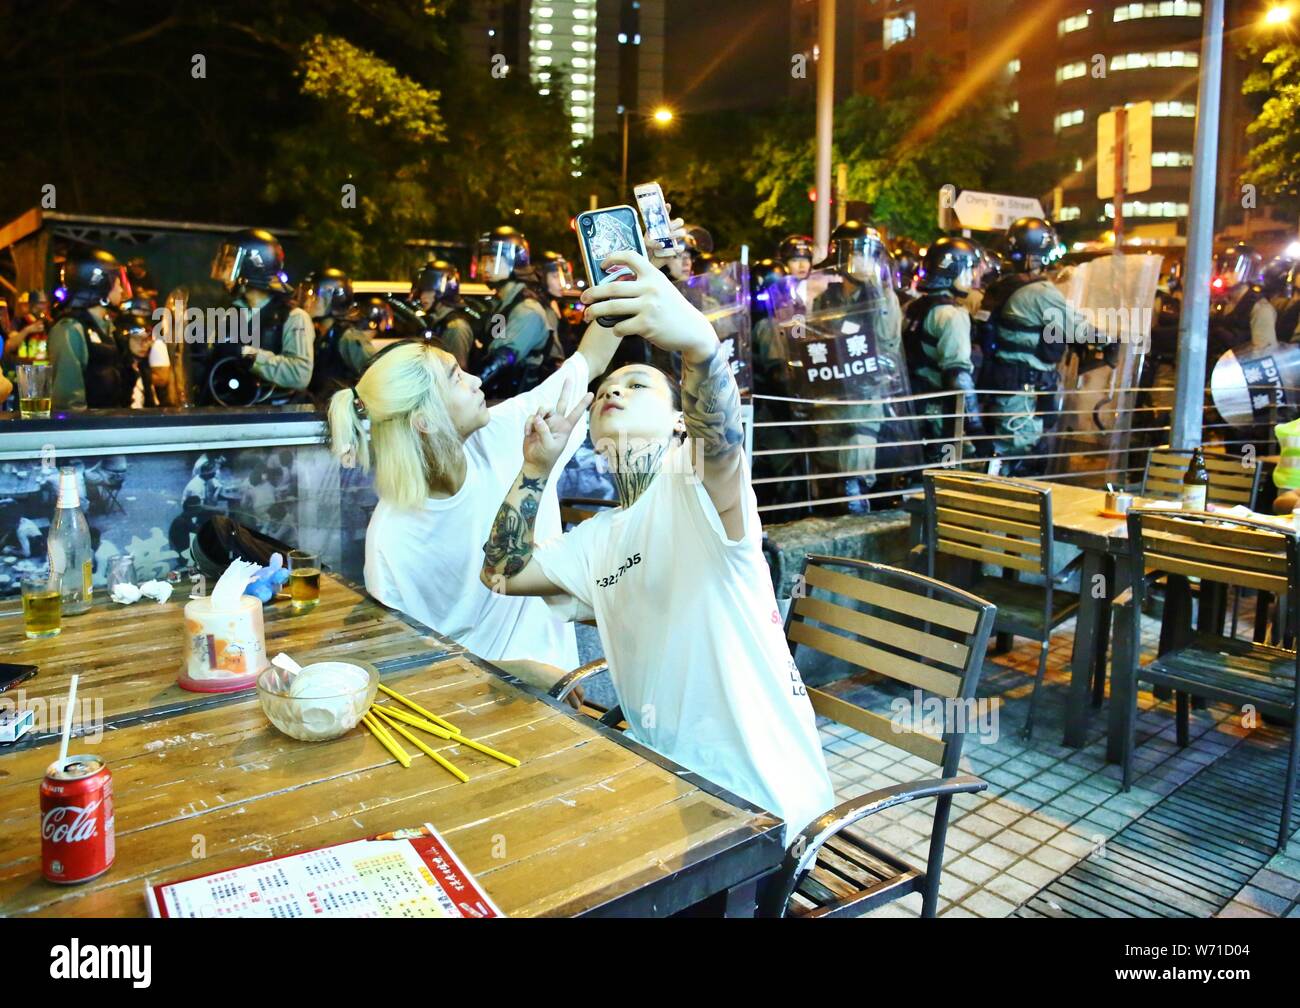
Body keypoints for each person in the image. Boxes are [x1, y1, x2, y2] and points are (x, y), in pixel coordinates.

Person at [479, 248, 834, 840]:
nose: (612, 392)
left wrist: (699, 346)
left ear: (676, 422)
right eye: (606, 391)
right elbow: (501, 574)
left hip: (761, 809)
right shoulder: (598, 537)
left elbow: (717, 444)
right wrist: (537, 468)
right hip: (663, 784)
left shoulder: (692, 483)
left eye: (637, 383)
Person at [326, 316, 623, 694]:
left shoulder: (506, 429)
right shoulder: (392, 539)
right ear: (425, 421)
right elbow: (408, 666)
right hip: (474, 710)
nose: (477, 380)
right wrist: (516, 673)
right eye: (456, 378)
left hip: (563, 694)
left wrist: (629, 273)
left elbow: (591, 357)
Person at [805, 220, 905, 513]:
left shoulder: (882, 297)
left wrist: (877, 289)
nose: (867, 262)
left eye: (872, 255)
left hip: (865, 401)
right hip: (831, 401)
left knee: (854, 484)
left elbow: (887, 342)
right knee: (829, 485)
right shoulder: (825, 299)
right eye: (861, 253)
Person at [977, 217, 1089, 475]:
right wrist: (1110, 340)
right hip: (1024, 392)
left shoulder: (1001, 287)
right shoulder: (1039, 292)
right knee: (1019, 459)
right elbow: (1079, 329)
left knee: (1002, 451)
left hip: (1002, 385)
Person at [903, 237, 985, 463]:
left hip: (911, 410)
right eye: (967, 270)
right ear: (952, 271)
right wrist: (976, 428)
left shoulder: (912, 307)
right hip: (941, 415)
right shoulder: (951, 315)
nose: (971, 277)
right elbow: (958, 375)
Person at [209, 228, 314, 402]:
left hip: (276, 418)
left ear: (252, 267)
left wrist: (247, 354)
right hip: (234, 410)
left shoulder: (294, 317)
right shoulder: (231, 314)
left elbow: (300, 374)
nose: (224, 274)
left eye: (228, 265)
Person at [47, 248, 132, 409]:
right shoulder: (70, 329)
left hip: (111, 425)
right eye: (118, 283)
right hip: (90, 430)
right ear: (100, 283)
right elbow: (69, 403)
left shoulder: (107, 327)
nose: (121, 290)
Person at [475, 226, 555, 396]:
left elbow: (504, 357)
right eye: (484, 260)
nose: (486, 268)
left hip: (519, 403)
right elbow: (495, 342)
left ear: (515, 262)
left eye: (493, 260)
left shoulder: (527, 310)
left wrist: (470, 389)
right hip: (503, 397)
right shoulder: (503, 304)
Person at [298, 268, 375, 399]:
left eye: (315, 296)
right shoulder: (318, 334)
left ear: (334, 300)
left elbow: (376, 374)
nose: (308, 302)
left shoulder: (348, 337)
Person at [1209, 242, 1273, 358]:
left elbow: (1263, 354)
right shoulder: (1221, 302)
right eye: (1223, 268)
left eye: (1232, 269)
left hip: (1237, 371)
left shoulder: (1260, 308)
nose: (1225, 274)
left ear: (1249, 271)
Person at [409, 259, 476, 368]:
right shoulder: (437, 321)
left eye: (429, 290)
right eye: (422, 291)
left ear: (446, 290)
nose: (422, 297)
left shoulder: (456, 327)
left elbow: (456, 371)